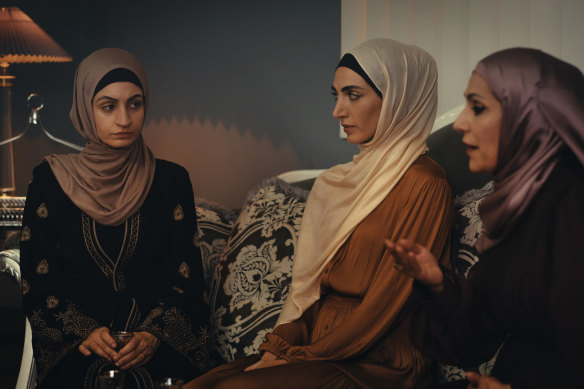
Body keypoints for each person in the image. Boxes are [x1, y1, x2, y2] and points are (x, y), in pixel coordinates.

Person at [184, 38, 454, 389]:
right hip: (317, 342)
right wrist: (280, 346)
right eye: (336, 95)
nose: (338, 111)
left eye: (353, 95)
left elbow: (386, 305)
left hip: (381, 357)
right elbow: (311, 292)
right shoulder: (339, 183)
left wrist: (299, 358)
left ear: (398, 99)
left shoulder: (426, 185)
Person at [385, 48, 584, 389]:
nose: (460, 123)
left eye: (477, 107)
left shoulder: (573, 207)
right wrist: (436, 284)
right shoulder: (518, 208)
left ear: (531, 118)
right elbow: (474, 339)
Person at [19, 48, 210, 388]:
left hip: (154, 340)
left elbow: (186, 281)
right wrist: (86, 333)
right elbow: (39, 283)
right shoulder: (48, 181)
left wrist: (152, 335)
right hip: (77, 344)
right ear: (84, 108)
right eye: (108, 106)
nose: (124, 119)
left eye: (134, 104)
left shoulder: (171, 181)